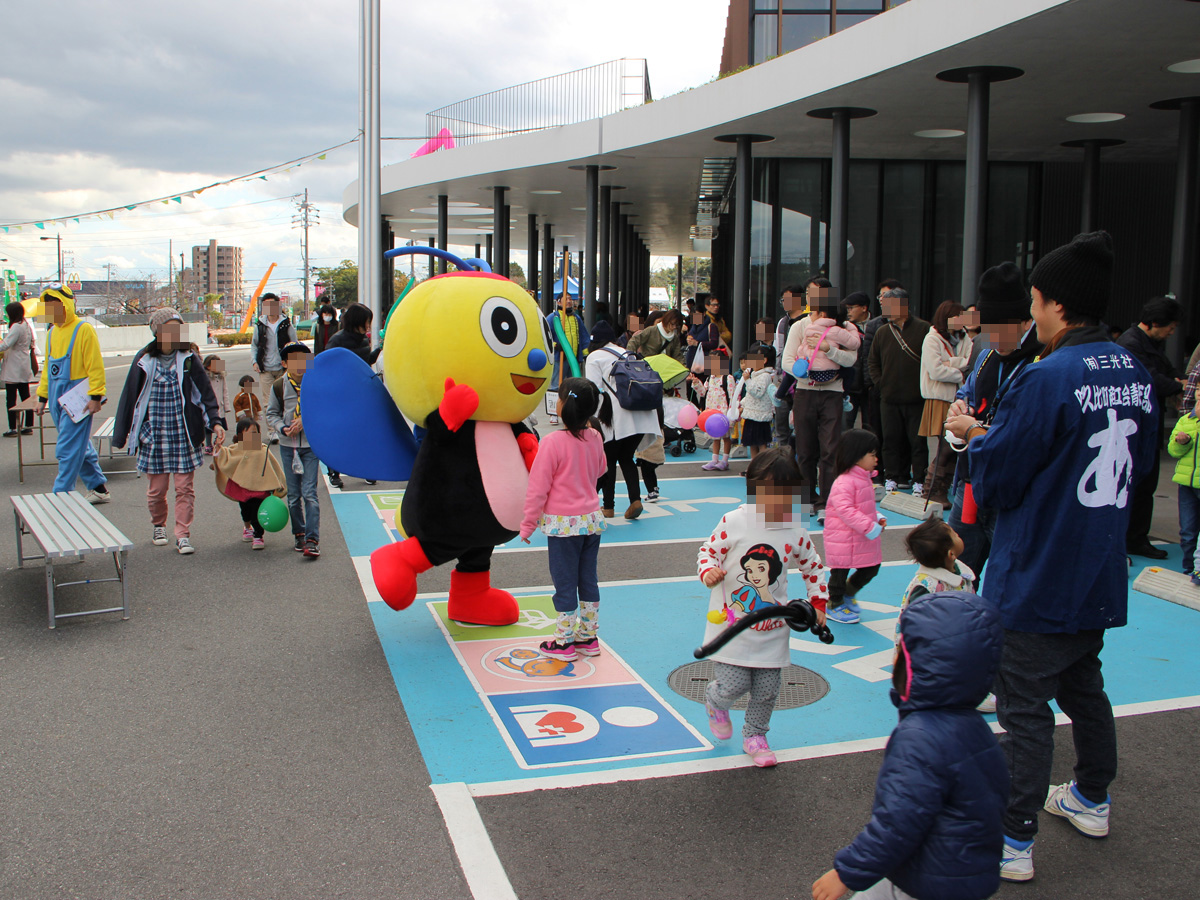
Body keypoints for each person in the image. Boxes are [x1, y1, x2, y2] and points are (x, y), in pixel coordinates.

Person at [945, 231, 1159, 882]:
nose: (1031, 313)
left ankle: (1012, 840)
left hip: (1038, 565)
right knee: (1083, 683)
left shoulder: (1048, 376)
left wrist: (970, 433)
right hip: (1096, 563)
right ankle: (1091, 794)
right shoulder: (1135, 372)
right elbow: (1143, 471)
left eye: (1036, 302)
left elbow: (1002, 476)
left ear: (1059, 306)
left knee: (1025, 706)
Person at [812, 590, 1008, 900]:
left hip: (923, 877)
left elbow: (899, 822)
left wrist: (847, 872)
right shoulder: (974, 728)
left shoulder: (920, 737)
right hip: (966, 874)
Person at [697, 448, 828, 767]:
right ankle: (715, 701)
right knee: (734, 685)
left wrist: (818, 600)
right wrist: (709, 571)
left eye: (783, 495)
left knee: (768, 690)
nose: (775, 503)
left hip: (773, 626)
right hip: (731, 629)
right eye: (766, 494)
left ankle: (755, 735)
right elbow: (708, 551)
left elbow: (813, 564)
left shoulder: (794, 527)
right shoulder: (735, 520)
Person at [945, 263, 1042, 576]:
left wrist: (974, 429)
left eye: (1002, 329)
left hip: (1013, 492)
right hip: (971, 480)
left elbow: (1029, 434)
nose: (994, 338)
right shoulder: (986, 355)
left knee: (1008, 575)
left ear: (1026, 321)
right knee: (954, 569)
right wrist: (958, 407)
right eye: (988, 329)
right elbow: (967, 393)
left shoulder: (1043, 360)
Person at [112, 308, 226, 553]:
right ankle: (158, 525)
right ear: (158, 332)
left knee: (184, 488)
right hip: (154, 435)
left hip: (184, 433)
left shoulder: (188, 358)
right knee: (156, 491)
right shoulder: (144, 359)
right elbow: (129, 396)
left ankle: (182, 534)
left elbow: (205, 393)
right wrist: (121, 434)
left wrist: (215, 422)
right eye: (170, 328)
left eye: (178, 327)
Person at [519, 378, 609, 659]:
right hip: (591, 521)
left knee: (565, 582)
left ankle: (564, 641)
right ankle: (588, 636)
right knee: (588, 578)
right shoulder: (595, 436)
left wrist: (528, 523)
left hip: (562, 524)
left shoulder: (552, 442)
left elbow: (538, 487)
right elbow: (601, 469)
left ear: (562, 404)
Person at [782, 279, 861, 515]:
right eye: (808, 292)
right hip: (805, 391)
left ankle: (827, 501)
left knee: (831, 449)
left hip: (833, 392)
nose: (811, 297)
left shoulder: (843, 326)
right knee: (805, 449)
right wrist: (804, 369)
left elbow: (851, 360)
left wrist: (828, 349)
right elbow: (786, 361)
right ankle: (807, 498)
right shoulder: (799, 326)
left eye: (817, 293)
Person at [1118, 296, 1184, 560]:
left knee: (1147, 484)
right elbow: (1152, 379)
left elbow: (1168, 372)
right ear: (1155, 322)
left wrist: (1179, 381)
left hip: (1148, 425)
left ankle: (1136, 538)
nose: (1173, 331)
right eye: (1170, 326)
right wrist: (1179, 386)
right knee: (1133, 485)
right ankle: (1127, 539)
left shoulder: (1152, 343)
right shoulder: (1131, 344)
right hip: (1133, 427)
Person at [33, 285, 110, 503]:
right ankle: (99, 488)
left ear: (66, 305)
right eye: (46, 305)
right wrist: (42, 398)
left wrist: (96, 396)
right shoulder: (51, 333)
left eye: (54, 304)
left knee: (67, 448)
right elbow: (48, 369)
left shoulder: (83, 329)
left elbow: (95, 365)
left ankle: (61, 494)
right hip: (58, 397)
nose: (50, 309)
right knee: (79, 445)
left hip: (79, 398)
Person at [584, 321, 658, 519]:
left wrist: (591, 419)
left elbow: (594, 390)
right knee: (627, 458)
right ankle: (635, 500)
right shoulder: (627, 353)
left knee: (608, 461)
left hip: (616, 418)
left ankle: (608, 507)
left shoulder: (594, 357)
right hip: (641, 415)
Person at [868, 288, 931, 495]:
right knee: (890, 439)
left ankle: (919, 480)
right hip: (889, 396)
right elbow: (873, 361)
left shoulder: (924, 329)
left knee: (918, 441)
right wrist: (880, 383)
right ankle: (892, 477)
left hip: (916, 397)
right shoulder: (882, 331)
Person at [823, 429, 886, 625]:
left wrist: (877, 517)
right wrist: (869, 526)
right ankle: (833, 603)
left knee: (872, 567)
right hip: (843, 537)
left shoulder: (864, 478)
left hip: (859, 535)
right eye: (872, 454)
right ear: (856, 455)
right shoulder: (844, 481)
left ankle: (848, 593)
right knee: (839, 572)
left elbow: (864, 507)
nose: (876, 459)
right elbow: (846, 510)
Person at [267, 341, 322, 558]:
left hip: (310, 446)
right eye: (294, 359)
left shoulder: (315, 384)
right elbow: (271, 413)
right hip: (288, 447)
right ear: (284, 363)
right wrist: (282, 427)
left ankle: (312, 539)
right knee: (293, 495)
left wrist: (305, 421)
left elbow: (323, 411)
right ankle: (299, 533)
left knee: (309, 493)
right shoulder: (279, 386)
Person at [918, 300, 973, 507]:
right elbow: (936, 370)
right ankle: (932, 489)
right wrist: (960, 370)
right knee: (945, 446)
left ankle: (940, 488)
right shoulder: (932, 338)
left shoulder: (964, 336)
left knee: (954, 445)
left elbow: (971, 361)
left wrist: (952, 364)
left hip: (958, 398)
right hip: (939, 398)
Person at [322, 302, 377, 489]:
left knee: (363, 434)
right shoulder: (337, 341)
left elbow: (364, 362)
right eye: (366, 322)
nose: (369, 326)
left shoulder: (363, 340)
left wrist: (377, 352)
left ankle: (367, 469)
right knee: (340, 435)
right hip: (341, 396)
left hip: (361, 394)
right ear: (356, 322)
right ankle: (334, 471)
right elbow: (325, 367)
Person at [213, 417, 287, 550]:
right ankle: (247, 528)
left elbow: (273, 466)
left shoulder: (263, 449)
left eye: (255, 434)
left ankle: (258, 535)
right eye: (248, 435)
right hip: (243, 489)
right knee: (245, 511)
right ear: (240, 436)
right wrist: (218, 448)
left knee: (257, 513)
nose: (252, 438)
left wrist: (279, 482)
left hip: (260, 489)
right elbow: (225, 456)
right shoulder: (236, 449)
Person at [901, 518, 976, 620]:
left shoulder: (961, 571)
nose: (958, 535)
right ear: (951, 554)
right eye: (955, 535)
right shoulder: (926, 586)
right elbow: (917, 619)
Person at [859, 279, 903, 451]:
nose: (883, 300)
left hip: (904, 387)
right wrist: (872, 384)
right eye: (881, 296)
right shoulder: (875, 325)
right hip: (880, 388)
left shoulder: (917, 326)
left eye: (887, 296)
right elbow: (868, 357)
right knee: (878, 430)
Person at [249, 293, 298, 441]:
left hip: (283, 368)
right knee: (267, 401)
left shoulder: (286, 324)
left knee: (286, 398)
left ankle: (287, 425)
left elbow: (294, 343)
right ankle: (272, 430)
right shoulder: (260, 325)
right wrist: (254, 361)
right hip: (265, 368)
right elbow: (254, 345)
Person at [1168, 395, 1200, 583]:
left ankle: (1197, 570)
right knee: (1187, 530)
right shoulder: (1185, 420)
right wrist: (1182, 442)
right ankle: (1189, 569)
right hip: (1186, 483)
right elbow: (1173, 450)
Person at [690, 352, 738, 470]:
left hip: (723, 413)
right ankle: (714, 459)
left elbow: (732, 397)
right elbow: (703, 393)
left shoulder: (728, 378)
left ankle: (725, 460)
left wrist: (731, 415)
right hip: (711, 413)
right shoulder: (709, 379)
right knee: (715, 438)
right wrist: (697, 384)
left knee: (726, 437)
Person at [547, 293, 589, 425]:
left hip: (574, 359)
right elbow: (545, 334)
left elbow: (583, 336)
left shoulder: (576, 318)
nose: (569, 301)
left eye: (571, 299)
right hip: (560, 357)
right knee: (556, 385)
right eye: (566, 299)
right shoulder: (553, 318)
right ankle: (554, 413)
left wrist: (585, 353)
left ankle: (574, 412)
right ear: (559, 302)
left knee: (575, 385)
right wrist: (555, 345)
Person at [1, 300, 37, 436]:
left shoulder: (16, 326)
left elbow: (6, 344)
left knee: (11, 398)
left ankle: (13, 428)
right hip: (24, 362)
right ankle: (28, 425)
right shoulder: (26, 324)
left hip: (13, 365)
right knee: (25, 396)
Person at [736, 342, 777, 459]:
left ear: (764, 360)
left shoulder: (765, 376)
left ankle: (762, 467)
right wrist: (742, 405)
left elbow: (757, 392)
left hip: (760, 415)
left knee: (761, 442)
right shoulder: (755, 375)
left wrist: (747, 380)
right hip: (752, 414)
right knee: (752, 443)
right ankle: (754, 466)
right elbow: (750, 395)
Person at [840, 292, 872, 431]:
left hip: (870, 386)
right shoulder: (845, 328)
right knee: (845, 426)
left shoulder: (876, 325)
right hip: (851, 386)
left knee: (870, 426)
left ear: (864, 308)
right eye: (847, 308)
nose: (849, 312)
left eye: (852, 308)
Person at [202, 355, 229, 455]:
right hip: (208, 406)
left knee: (220, 425)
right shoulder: (205, 377)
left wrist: (227, 406)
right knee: (208, 427)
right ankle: (208, 444)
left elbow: (225, 391)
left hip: (220, 405)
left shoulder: (222, 376)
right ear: (208, 366)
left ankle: (217, 443)